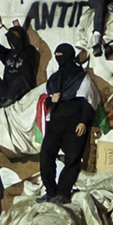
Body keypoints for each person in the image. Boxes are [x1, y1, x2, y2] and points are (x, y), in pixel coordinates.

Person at [36, 45, 99, 201]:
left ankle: (63, 193)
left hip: (74, 123)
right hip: (55, 122)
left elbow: (89, 101)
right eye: (57, 55)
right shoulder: (54, 78)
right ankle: (51, 192)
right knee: (46, 156)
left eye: (61, 55)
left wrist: (84, 122)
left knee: (72, 158)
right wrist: (52, 99)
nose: (59, 58)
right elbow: (46, 100)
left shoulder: (81, 77)